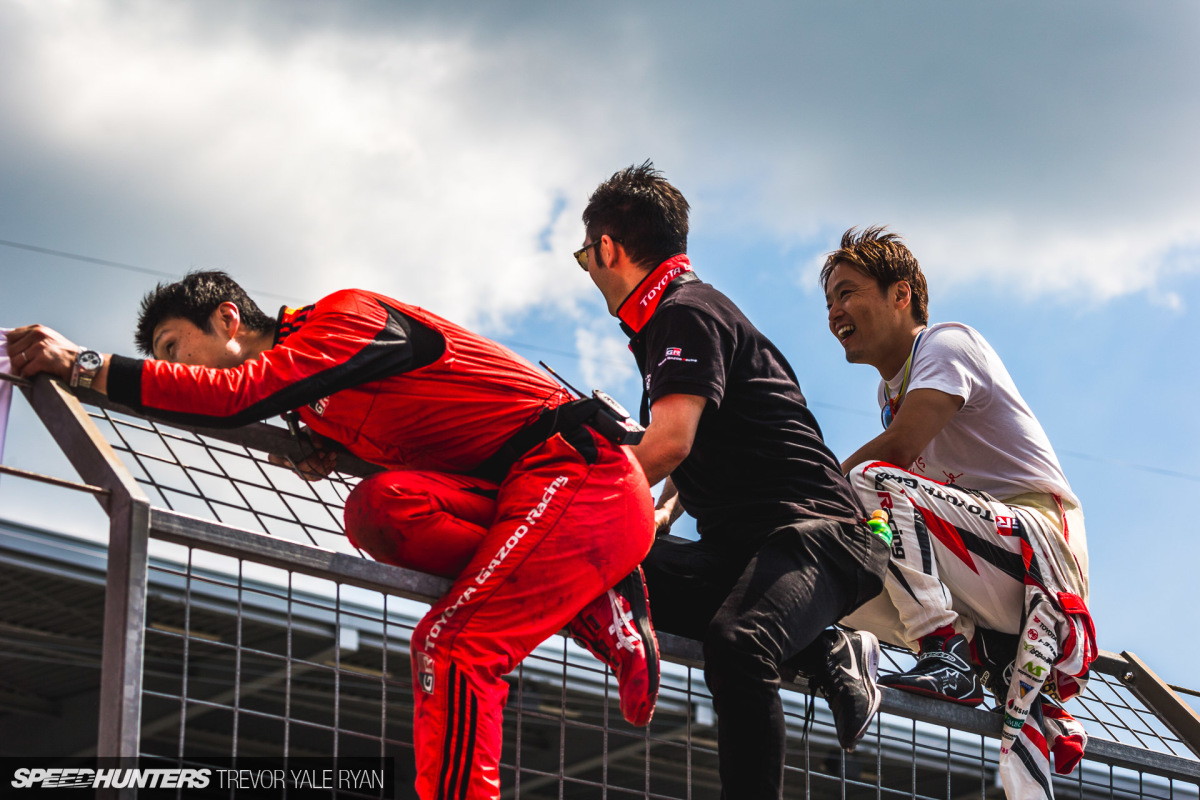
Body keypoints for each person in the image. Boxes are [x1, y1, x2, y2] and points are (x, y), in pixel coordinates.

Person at [6, 271, 660, 800]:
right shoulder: (314, 399)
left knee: (451, 647)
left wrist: (85, 365)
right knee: (379, 508)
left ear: (229, 319)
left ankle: (591, 593)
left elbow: (235, 397)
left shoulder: (345, 318)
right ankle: (585, 594)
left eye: (175, 349)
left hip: (582, 475)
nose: (177, 368)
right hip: (523, 497)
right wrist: (332, 443)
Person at [580, 163, 891, 798]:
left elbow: (669, 443)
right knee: (604, 569)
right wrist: (659, 514)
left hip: (819, 537)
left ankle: (817, 647)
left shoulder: (684, 313)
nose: (587, 269)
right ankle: (824, 648)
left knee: (739, 644)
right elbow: (699, 438)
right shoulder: (679, 316)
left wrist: (568, 502)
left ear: (607, 248)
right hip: (747, 551)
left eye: (585, 255)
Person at [822, 227, 1096, 798]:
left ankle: (946, 653)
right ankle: (970, 653)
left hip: (1041, 555)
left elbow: (897, 453)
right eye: (829, 302)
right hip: (987, 562)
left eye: (847, 292)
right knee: (833, 575)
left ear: (901, 294)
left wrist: (812, 490)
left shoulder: (946, 344)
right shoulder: (888, 394)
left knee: (870, 480)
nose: (834, 312)